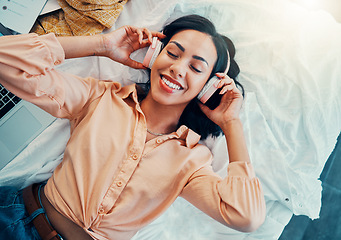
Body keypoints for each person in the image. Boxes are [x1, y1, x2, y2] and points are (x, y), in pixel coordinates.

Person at [0, 15, 266, 240]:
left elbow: (245, 216)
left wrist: (232, 124)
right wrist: (102, 45)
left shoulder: (192, 161)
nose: (177, 68)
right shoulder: (101, 96)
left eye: (196, 68)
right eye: (172, 53)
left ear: (208, 88)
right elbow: (5, 59)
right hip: (16, 218)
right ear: (154, 55)